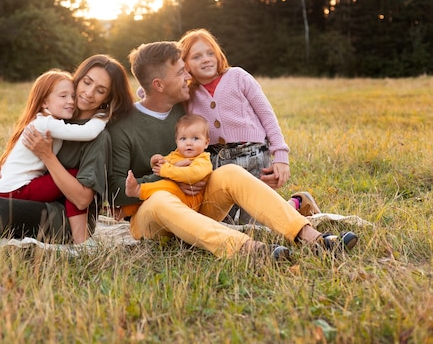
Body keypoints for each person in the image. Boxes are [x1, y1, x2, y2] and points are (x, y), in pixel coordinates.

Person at [107, 41, 358, 261]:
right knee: (161, 199)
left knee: (229, 173)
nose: (188, 77)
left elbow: (247, 115)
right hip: (152, 217)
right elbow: (116, 191)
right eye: (181, 72)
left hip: (198, 204)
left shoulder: (187, 108)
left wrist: (278, 155)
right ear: (159, 84)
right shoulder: (124, 127)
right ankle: (249, 250)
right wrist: (169, 178)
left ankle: (312, 238)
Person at [0, 54, 135, 259]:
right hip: (33, 202)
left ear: (108, 98)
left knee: (0, 208)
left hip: (64, 220)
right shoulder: (59, 117)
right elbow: (25, 162)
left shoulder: (97, 136)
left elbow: (82, 199)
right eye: (86, 82)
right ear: (76, 80)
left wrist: (48, 156)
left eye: (100, 90)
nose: (88, 92)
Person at [179, 28, 321, 223]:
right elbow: (155, 93)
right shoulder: (188, 93)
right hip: (215, 163)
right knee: (222, 224)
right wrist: (177, 74)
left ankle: (296, 203)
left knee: (257, 224)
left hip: (253, 156)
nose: (206, 59)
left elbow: (267, 115)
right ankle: (290, 205)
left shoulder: (237, 76)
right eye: (196, 56)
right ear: (184, 65)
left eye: (210, 53)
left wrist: (281, 156)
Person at [0, 69, 108, 244]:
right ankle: (82, 240)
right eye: (63, 96)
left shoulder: (40, 122)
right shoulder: (47, 124)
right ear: (44, 102)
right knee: (73, 176)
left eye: (73, 96)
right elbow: (88, 132)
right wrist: (103, 115)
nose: (71, 101)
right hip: (15, 193)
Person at [125, 114, 212, 211]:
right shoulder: (176, 154)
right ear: (176, 141)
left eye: (195, 138)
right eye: (183, 139)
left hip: (190, 200)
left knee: (166, 186)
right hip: (173, 197)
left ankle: (137, 190)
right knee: (152, 196)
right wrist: (156, 161)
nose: (189, 143)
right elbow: (164, 165)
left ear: (206, 143)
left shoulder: (203, 160)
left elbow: (193, 174)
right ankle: (123, 212)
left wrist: (166, 170)